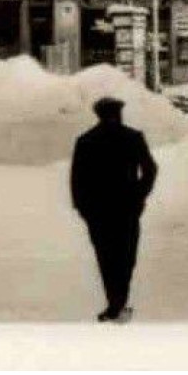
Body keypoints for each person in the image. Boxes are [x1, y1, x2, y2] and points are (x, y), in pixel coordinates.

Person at [70, 96, 159, 323]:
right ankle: (117, 304)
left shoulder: (86, 141)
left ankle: (115, 304)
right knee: (126, 257)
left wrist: (84, 208)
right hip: (127, 209)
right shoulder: (133, 138)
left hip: (99, 212)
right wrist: (139, 195)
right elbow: (150, 170)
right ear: (119, 113)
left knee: (107, 258)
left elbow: (77, 181)